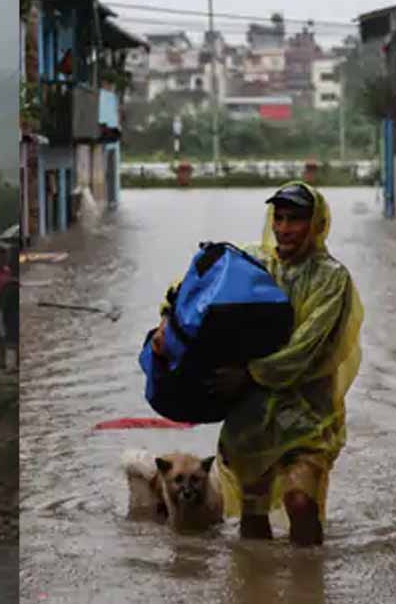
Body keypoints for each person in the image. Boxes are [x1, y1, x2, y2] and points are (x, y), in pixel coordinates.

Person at [152, 181, 364, 547]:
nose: (283, 228)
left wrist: (249, 374)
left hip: (308, 414)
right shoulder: (253, 260)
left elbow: (307, 349)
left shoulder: (332, 278)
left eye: (295, 219)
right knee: (252, 515)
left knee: (301, 502)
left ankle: (309, 582)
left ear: (316, 224)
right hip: (251, 416)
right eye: (278, 217)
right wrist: (167, 320)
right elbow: (191, 284)